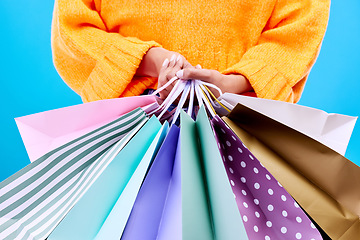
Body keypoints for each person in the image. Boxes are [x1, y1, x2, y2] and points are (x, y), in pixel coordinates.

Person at [51, 0, 330, 103]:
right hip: (128, 119)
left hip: (238, 116)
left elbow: (300, 25)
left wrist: (231, 84)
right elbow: (73, 24)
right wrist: (148, 61)